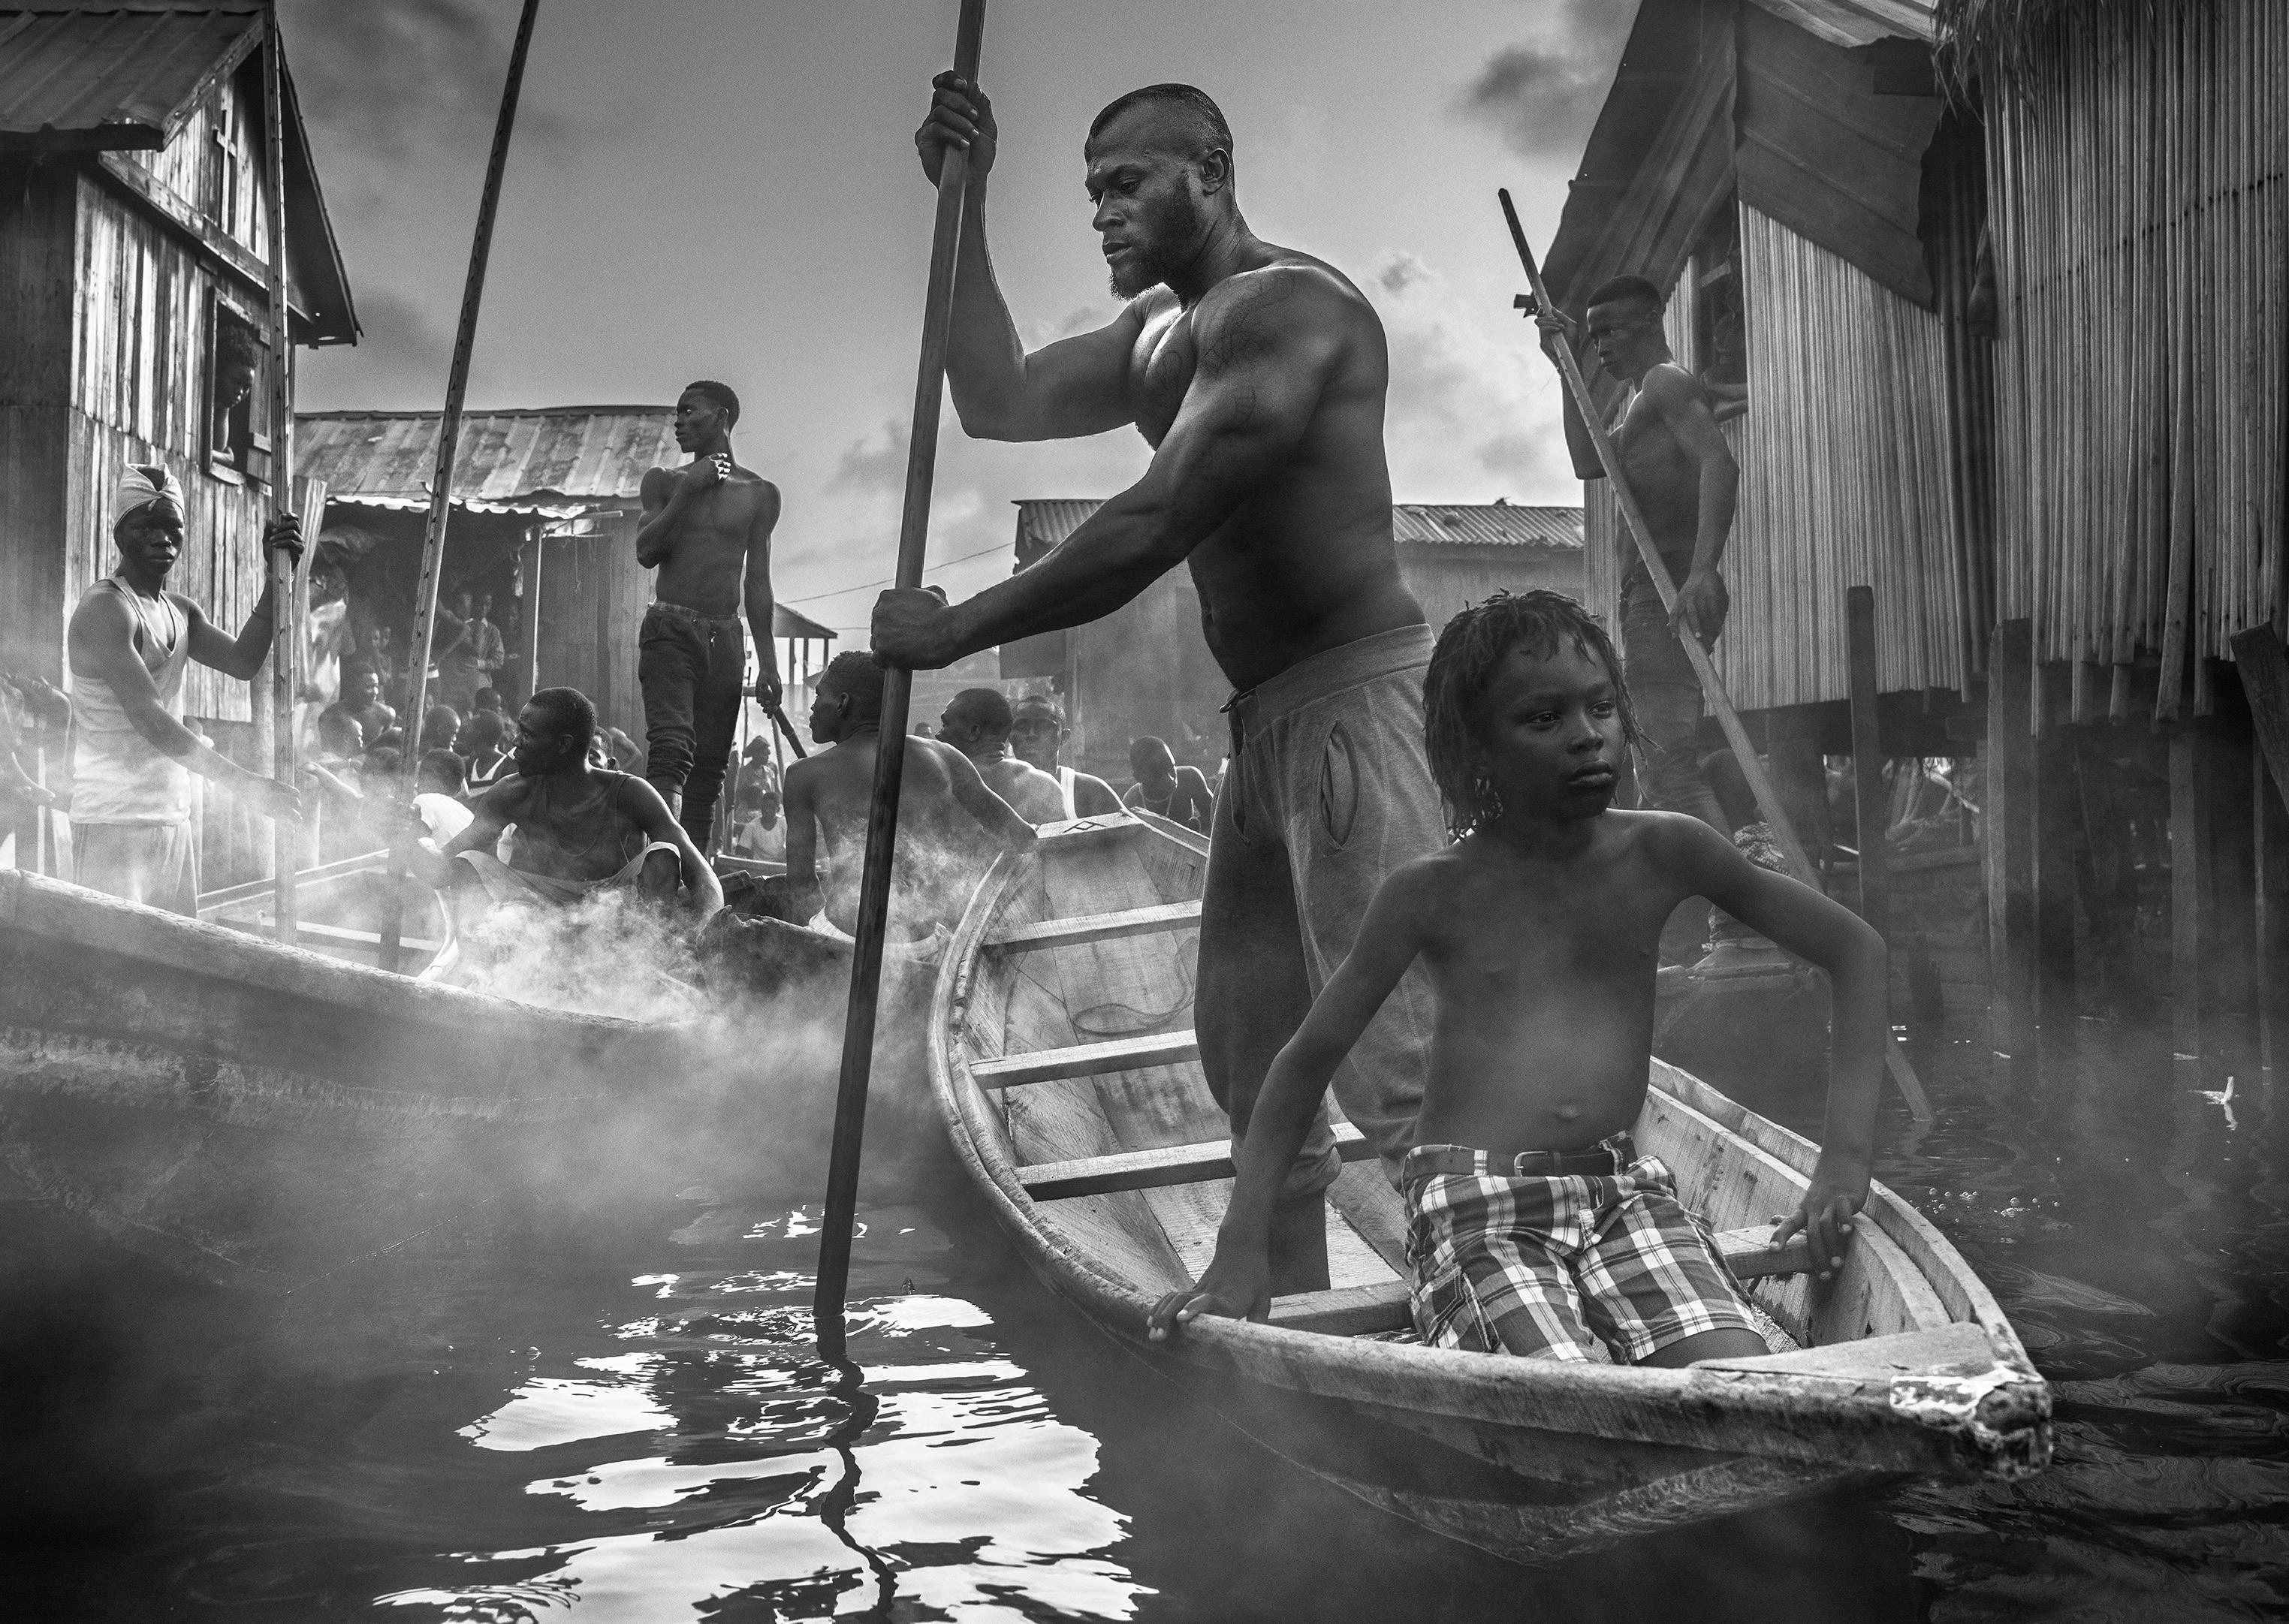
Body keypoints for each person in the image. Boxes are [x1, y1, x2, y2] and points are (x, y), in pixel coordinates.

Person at [881, 80, 1446, 1291]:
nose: (1101, 210)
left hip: (1351, 699)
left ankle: (1502, 1305)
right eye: (1089, 190)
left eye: (1127, 182)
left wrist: (955, 628)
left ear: (1210, 170)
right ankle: (1285, 1303)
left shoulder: (1286, 310)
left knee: (1400, 1057)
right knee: (1246, 1048)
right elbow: (995, 398)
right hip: (1260, 727)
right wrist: (960, 203)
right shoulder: (1156, 338)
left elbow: (1153, 520)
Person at [1148, 592, 1883, 1365]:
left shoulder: (1668, 852)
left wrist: (1842, 1166)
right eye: (1544, 719)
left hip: (1621, 1193)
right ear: (1474, 754)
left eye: (1601, 708)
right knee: (1563, 1382)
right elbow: (1301, 1066)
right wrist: (1240, 1246)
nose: (1587, 737)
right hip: (1476, 1206)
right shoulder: (1430, 891)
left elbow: (1855, 952)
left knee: (1736, 1369)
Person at [1536, 275, 1736, 835]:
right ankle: (1696, 904)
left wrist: (1701, 570)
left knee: (1668, 771)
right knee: (1659, 770)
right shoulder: (1643, 400)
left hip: (1666, 587)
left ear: (1651, 321)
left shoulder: (1667, 383)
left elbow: (1720, 463)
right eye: (1593, 337)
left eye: (1611, 331)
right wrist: (1563, 364)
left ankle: (1730, 908)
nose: (1601, 347)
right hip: (1648, 593)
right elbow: (1588, 459)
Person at [64, 463, 303, 912]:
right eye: (145, 526)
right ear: (119, 533)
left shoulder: (180, 611)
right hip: (114, 819)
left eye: (172, 527)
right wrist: (245, 784)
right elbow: (150, 718)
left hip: (173, 814)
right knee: (115, 964)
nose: (161, 538)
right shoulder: (106, 608)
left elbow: (244, 661)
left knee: (174, 967)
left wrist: (277, 577)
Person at [781, 652, 1034, 948]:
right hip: (925, 943)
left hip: (839, 938)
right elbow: (1024, 837)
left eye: (818, 695)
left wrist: (813, 950)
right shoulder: (944, 756)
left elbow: (801, 884)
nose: (812, 707)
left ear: (842, 703)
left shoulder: (803, 774)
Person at [399, 686, 722, 917]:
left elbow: (700, 872)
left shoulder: (630, 792)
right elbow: (442, 868)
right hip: (539, 904)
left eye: (526, 734)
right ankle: (487, 970)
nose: (515, 743)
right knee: (471, 862)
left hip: (619, 905)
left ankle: (653, 960)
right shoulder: (512, 792)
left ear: (564, 744)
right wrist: (414, 836)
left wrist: (711, 926)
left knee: (663, 854)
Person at [636, 379, 783, 854]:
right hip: (670, 628)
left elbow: (757, 584)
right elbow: (647, 551)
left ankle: (698, 877)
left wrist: (769, 664)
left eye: (688, 411)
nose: (677, 421)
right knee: (672, 748)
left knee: (711, 765)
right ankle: (659, 869)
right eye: (676, 413)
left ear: (721, 418)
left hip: (726, 636)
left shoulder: (760, 493)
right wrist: (690, 492)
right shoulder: (664, 482)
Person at [938, 687, 1066, 823]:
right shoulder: (1045, 785)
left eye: (945, 725)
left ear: (974, 732)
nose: (939, 735)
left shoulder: (942, 787)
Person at [1008, 694, 1122, 818]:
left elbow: (1135, 833)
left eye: (1044, 727)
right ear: (1009, 737)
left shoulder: (1090, 791)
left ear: (1064, 737)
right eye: (1022, 727)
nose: (1032, 734)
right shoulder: (996, 791)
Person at [433, 589, 505, 716]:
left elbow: (477, 650)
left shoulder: (478, 626)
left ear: (471, 606)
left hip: (466, 681)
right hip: (448, 678)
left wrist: (456, 633)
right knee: (446, 711)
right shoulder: (446, 623)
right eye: (455, 602)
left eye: (461, 603)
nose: (456, 606)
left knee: (466, 713)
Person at [1122, 734, 1214, 833]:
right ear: (1139, 777)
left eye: (1171, 768)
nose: (1170, 779)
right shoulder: (1132, 802)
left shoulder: (1190, 778)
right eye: (1158, 774)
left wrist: (1189, 829)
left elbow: (1218, 818)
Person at [323, 661, 396, 748]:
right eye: (369, 687)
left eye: (376, 686)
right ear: (352, 686)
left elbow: (389, 749)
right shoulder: (332, 716)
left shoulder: (385, 714)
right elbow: (328, 752)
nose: (375, 692)